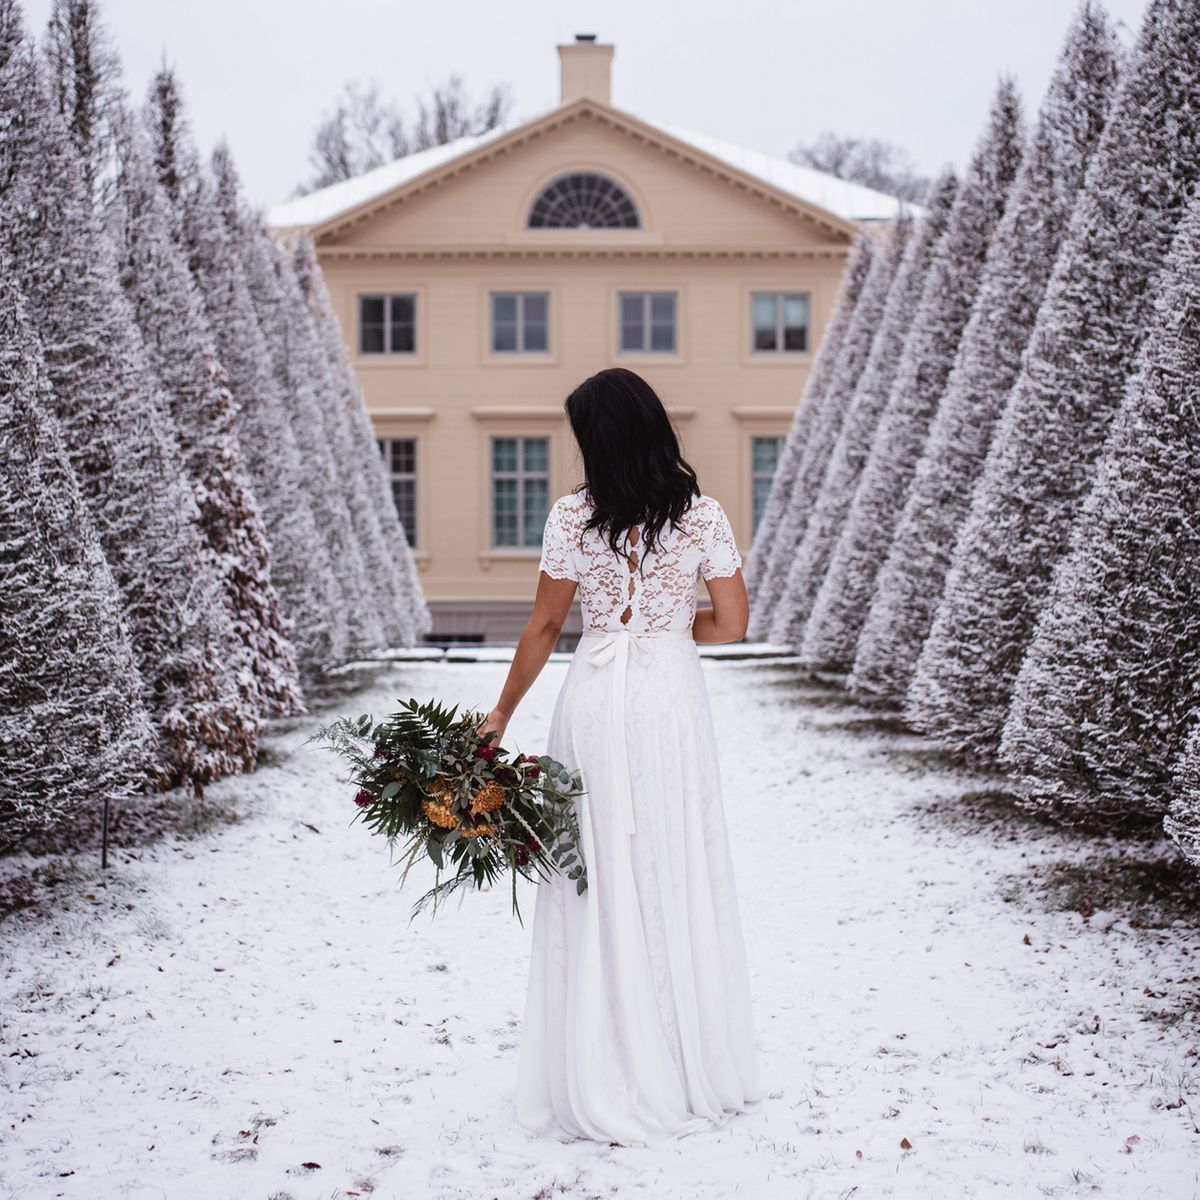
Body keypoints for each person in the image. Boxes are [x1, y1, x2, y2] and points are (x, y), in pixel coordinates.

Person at [479, 366, 764, 1147]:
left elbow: (543, 628)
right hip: (668, 702)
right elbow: (733, 625)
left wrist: (502, 712)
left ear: (596, 440)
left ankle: (599, 1053)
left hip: (595, 701)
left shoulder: (572, 517)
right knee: (670, 862)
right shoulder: (702, 515)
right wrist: (669, 636)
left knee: (594, 870)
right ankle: (677, 1058)